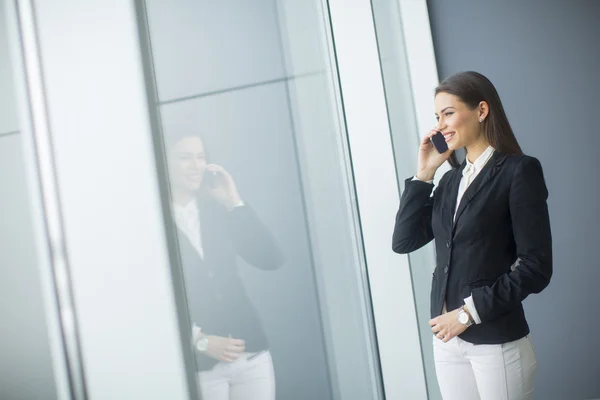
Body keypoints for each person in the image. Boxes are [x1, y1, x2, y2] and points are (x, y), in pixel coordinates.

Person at [392, 71, 552, 400]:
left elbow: (536, 267)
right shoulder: (450, 182)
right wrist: (425, 174)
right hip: (448, 341)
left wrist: (468, 313)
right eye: (437, 117)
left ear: (481, 110)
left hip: (495, 341)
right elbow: (404, 241)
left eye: (449, 113)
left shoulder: (518, 171)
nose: (441, 125)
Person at [166, 132, 284, 400]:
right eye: (184, 158)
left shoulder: (218, 211)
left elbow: (270, 258)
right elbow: (147, 298)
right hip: (200, 368)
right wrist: (200, 340)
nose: (195, 165)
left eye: (200, 157)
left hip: (251, 356)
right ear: (165, 162)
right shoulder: (153, 221)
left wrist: (233, 202)